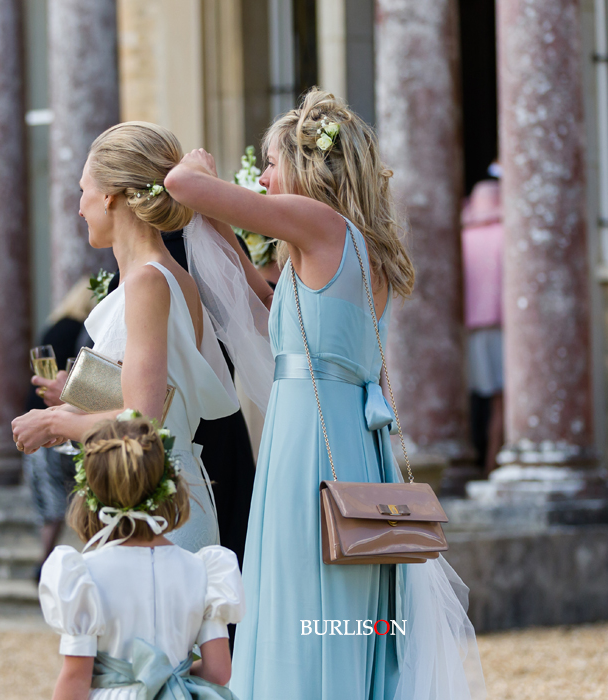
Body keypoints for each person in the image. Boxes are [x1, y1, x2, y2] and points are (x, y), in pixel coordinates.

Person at [166, 88, 484, 699]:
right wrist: (225, 233)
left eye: (271, 163)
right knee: (336, 607)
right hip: (346, 440)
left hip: (311, 446)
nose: (263, 178)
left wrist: (199, 169)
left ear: (306, 166)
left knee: (300, 600)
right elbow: (271, 311)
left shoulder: (320, 224)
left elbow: (182, 185)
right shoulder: (342, 245)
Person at [12, 122, 241, 553]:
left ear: (110, 196)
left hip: (159, 513)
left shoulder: (148, 281)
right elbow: (156, 395)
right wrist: (72, 408)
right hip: (151, 499)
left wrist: (54, 422)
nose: (80, 208)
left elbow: (143, 421)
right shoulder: (162, 276)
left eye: (83, 190)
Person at [39, 415, 244, 700]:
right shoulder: (204, 571)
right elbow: (219, 672)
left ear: (92, 491)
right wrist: (169, 681)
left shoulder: (83, 575)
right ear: (169, 485)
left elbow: (76, 677)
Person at [23, 277, 95, 576]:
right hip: (57, 416)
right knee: (61, 493)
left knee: (51, 496)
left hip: (45, 417)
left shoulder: (54, 325)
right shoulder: (78, 329)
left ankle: (46, 561)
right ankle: (50, 563)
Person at [461, 178, 504, 476]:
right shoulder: (506, 233)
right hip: (503, 327)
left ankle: (475, 461)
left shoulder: (463, 237)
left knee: (475, 397)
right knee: (503, 401)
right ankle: (492, 463)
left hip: (472, 329)